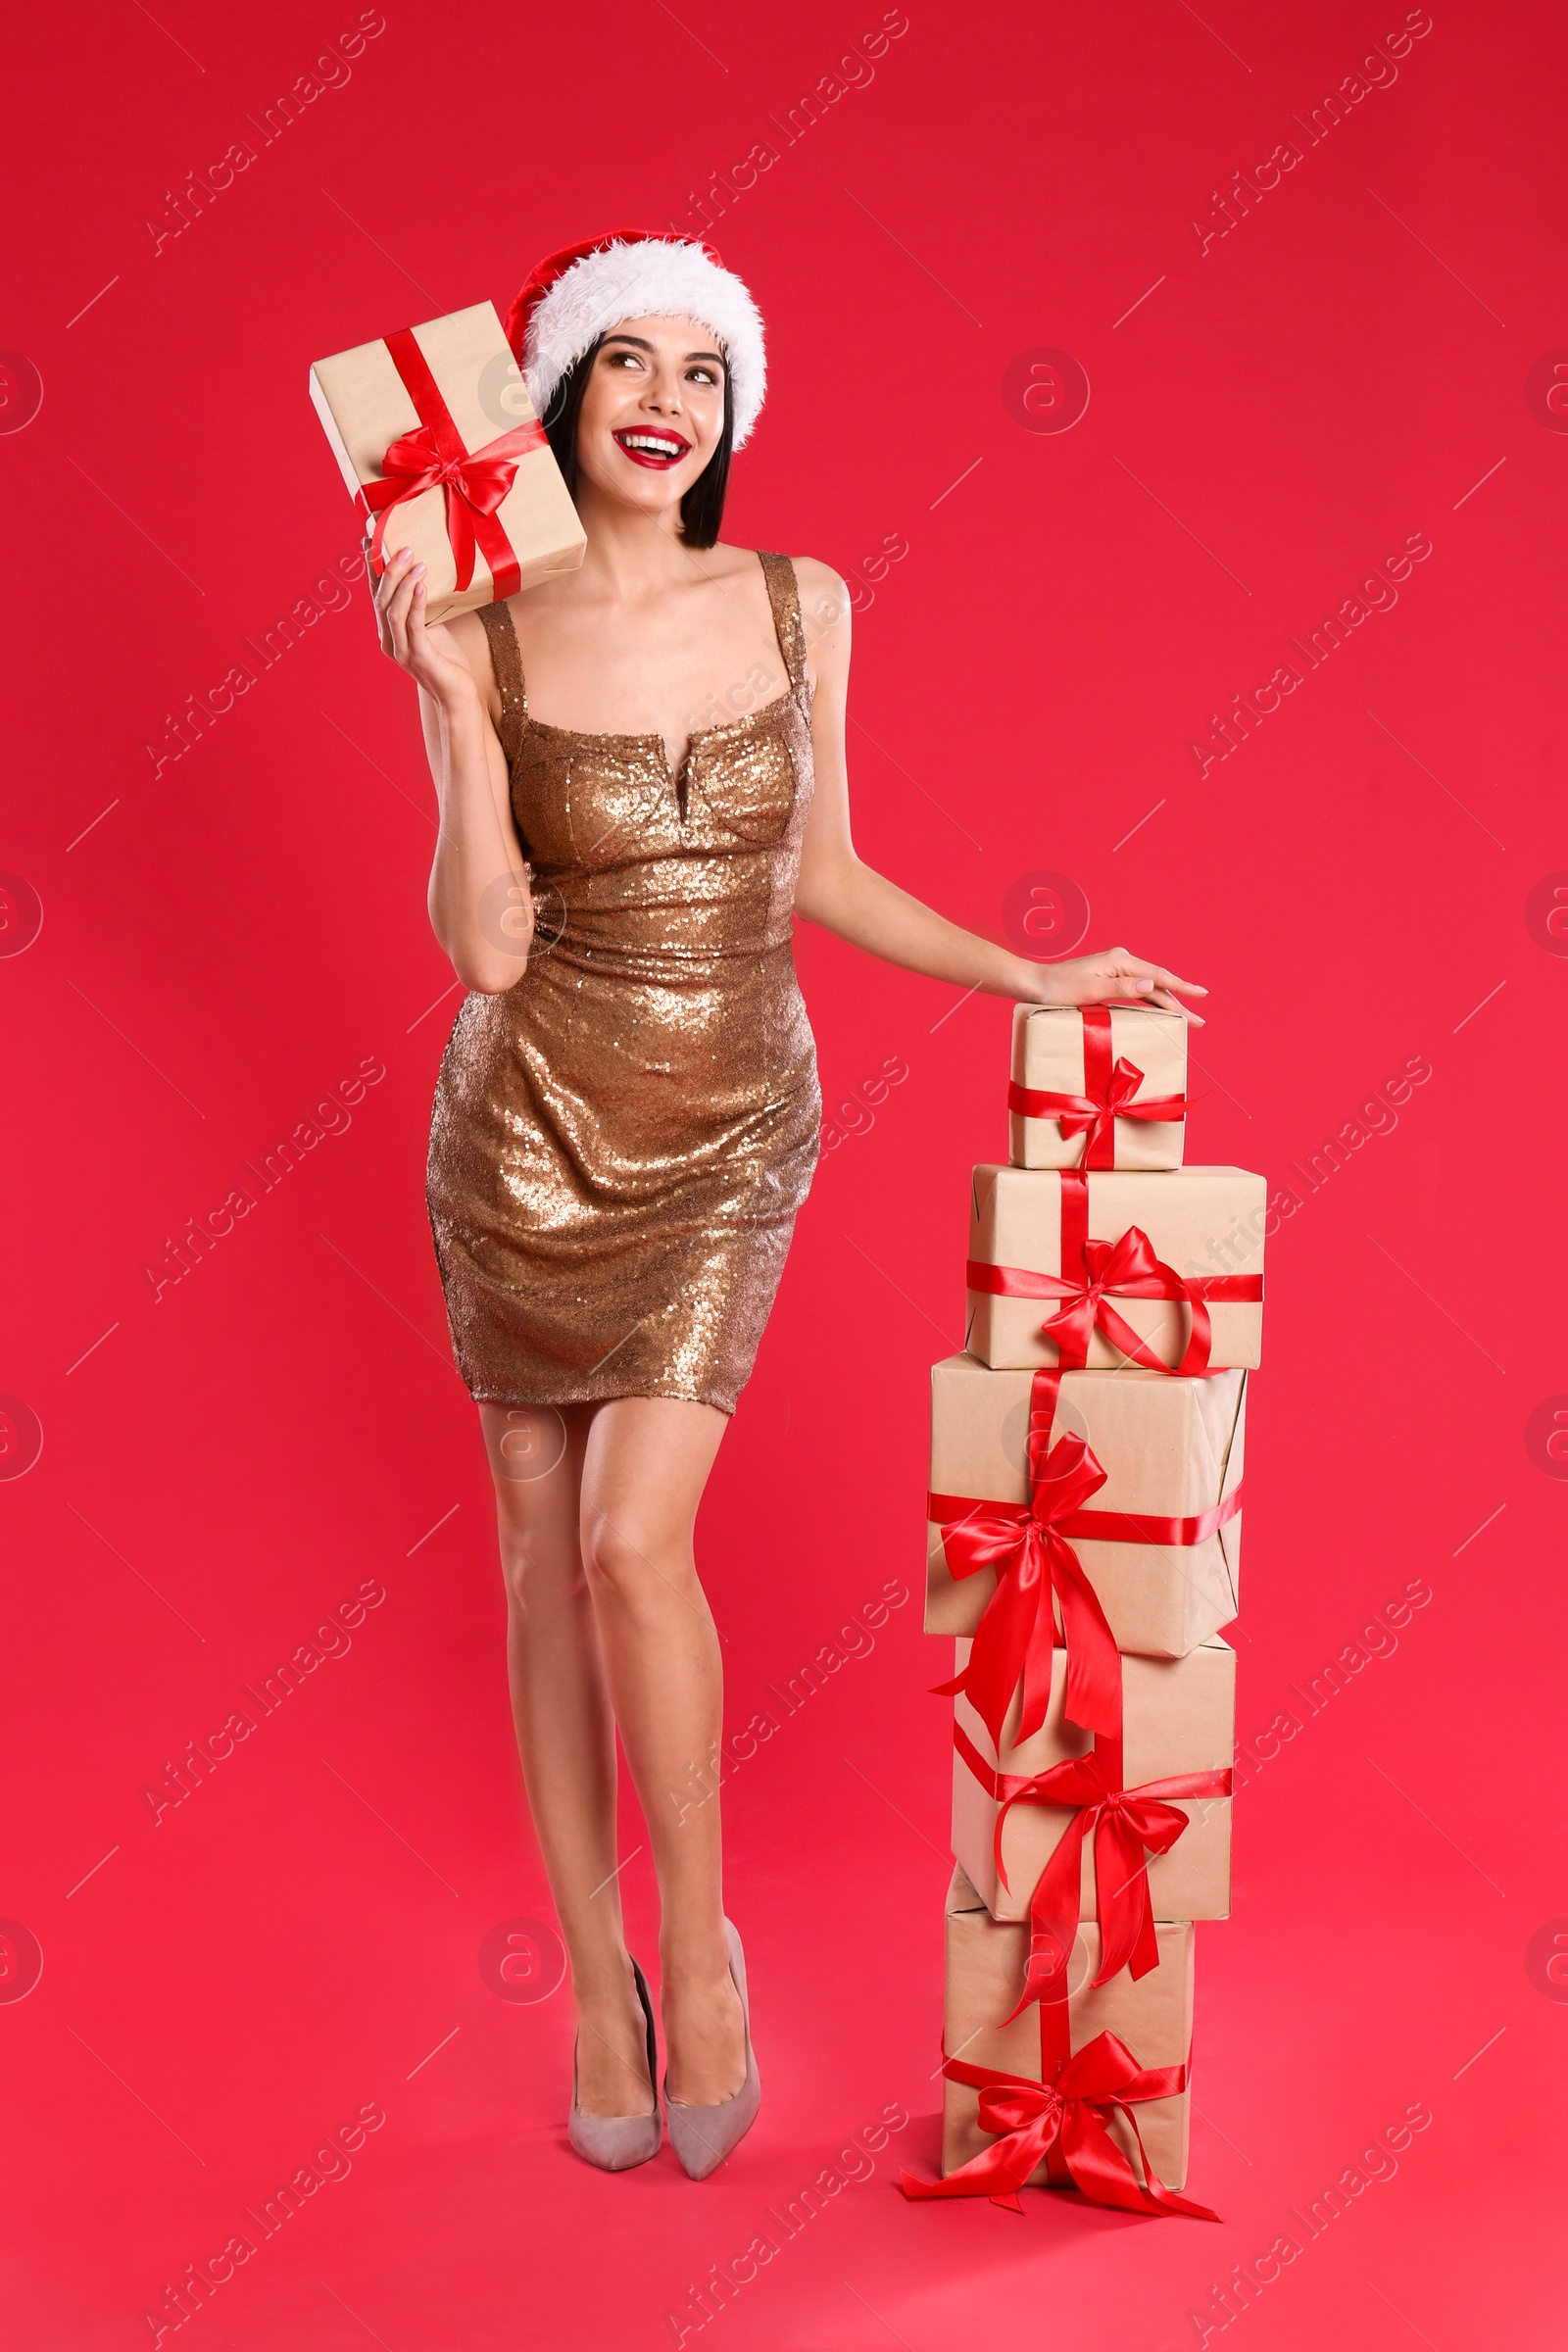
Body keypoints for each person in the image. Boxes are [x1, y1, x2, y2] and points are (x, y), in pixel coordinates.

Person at [369, 230, 1204, 2178]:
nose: (665, 402)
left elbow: (820, 871)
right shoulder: (478, 631)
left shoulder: (804, 599)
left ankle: (699, 1950)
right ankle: (593, 1982)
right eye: (623, 365)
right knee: (536, 1559)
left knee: (630, 1544)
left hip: (734, 1123)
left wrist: (1029, 972)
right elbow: (484, 947)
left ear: (728, 411)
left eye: (702, 373)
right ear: (557, 399)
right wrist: (442, 705)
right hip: (520, 1128)